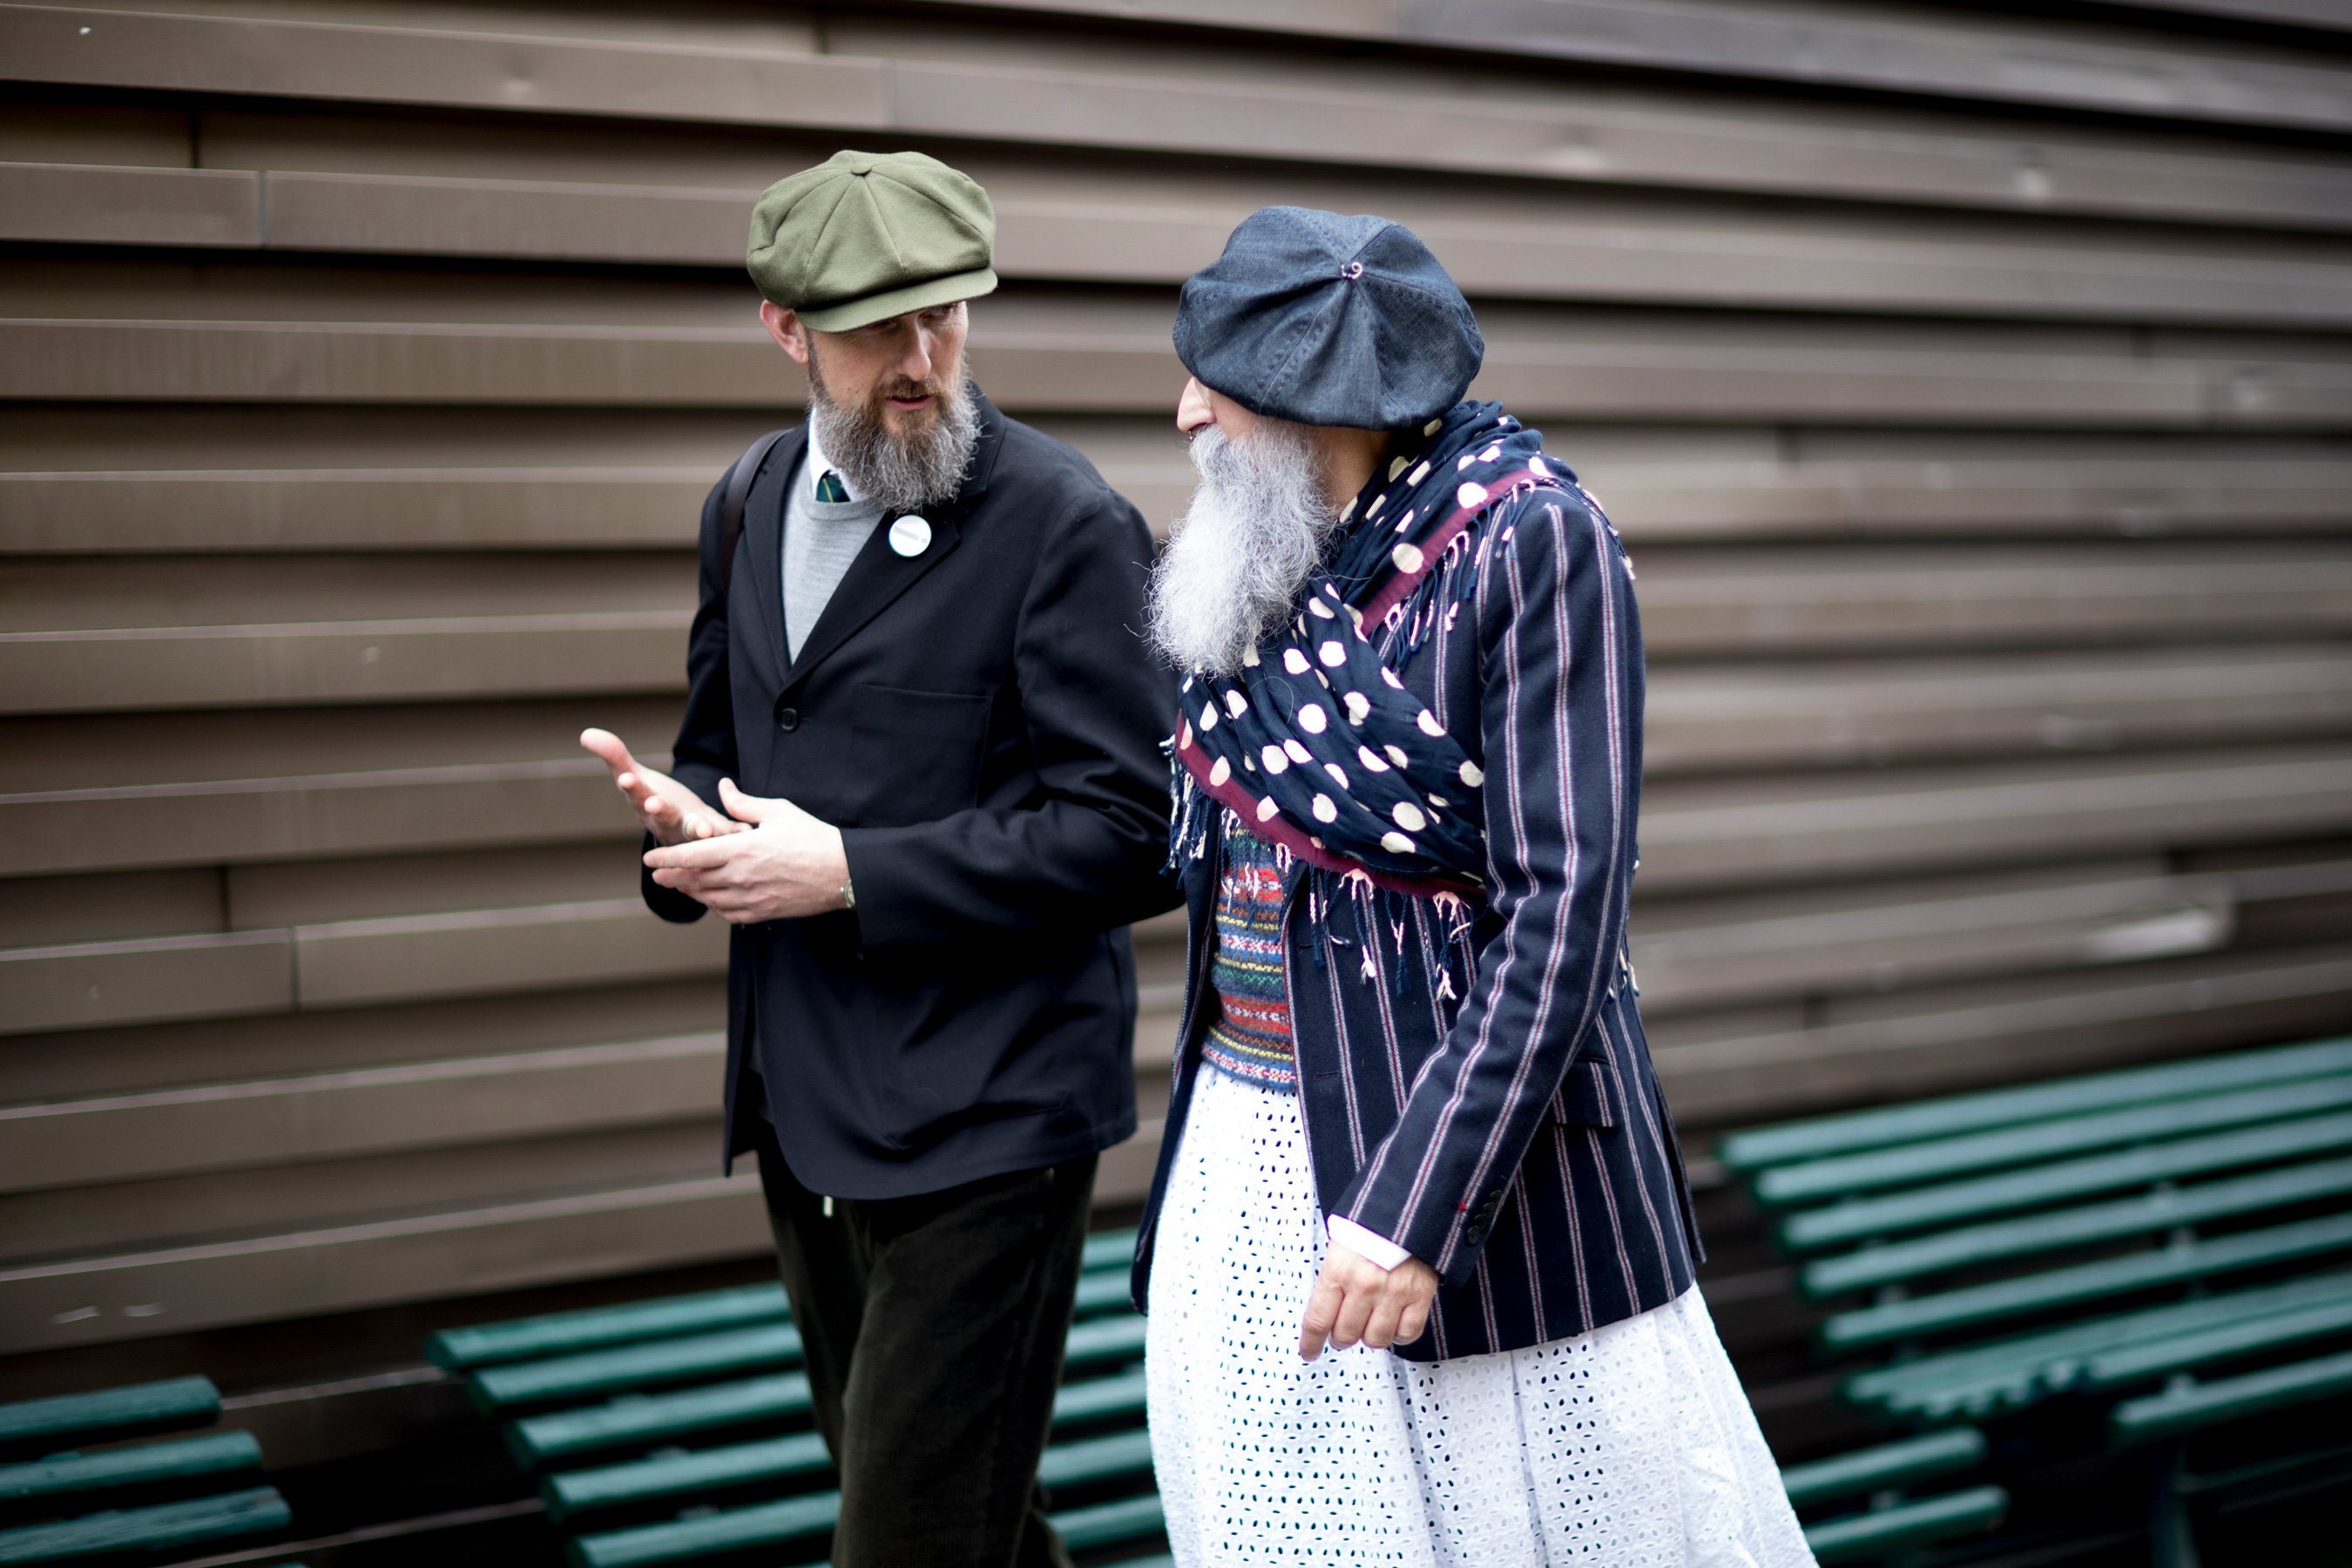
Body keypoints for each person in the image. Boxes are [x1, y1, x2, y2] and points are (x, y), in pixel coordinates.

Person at [1134, 206, 1815, 1565]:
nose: (1186, 413)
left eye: (1215, 384)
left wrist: (1411, 1209)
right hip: (1243, 1158)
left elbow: (1564, 914)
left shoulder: (1530, 540)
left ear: (1311, 402)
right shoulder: (1258, 551)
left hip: (1485, 1178)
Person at [581, 150, 1175, 1568]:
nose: (921, 360)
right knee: (959, 1528)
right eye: (876, 330)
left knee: (906, 1543)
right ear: (786, 329)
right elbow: (720, 751)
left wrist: (855, 872)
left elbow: (1142, 833)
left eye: (945, 316)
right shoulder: (743, 500)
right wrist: (686, 832)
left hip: (989, 1119)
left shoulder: (1062, 521)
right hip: (805, 1105)